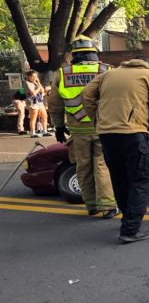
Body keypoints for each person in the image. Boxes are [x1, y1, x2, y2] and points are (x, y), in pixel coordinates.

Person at [81, 56, 149, 243]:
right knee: (142, 181)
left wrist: (98, 120)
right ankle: (130, 230)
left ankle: (128, 220)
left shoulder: (108, 75)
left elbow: (86, 95)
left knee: (120, 179)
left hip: (107, 135)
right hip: (134, 133)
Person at [49, 35, 118, 219]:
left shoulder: (62, 74)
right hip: (103, 126)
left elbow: (54, 104)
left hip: (78, 130)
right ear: (94, 53)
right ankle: (108, 206)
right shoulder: (107, 71)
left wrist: (58, 126)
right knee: (102, 164)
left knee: (83, 166)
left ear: (74, 55)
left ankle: (92, 205)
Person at [23, 70, 52, 138]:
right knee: (33, 118)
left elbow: (42, 91)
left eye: (36, 76)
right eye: (33, 76)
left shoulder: (36, 83)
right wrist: (38, 89)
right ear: (29, 77)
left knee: (45, 116)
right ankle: (33, 133)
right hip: (32, 102)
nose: (35, 78)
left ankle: (45, 131)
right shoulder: (27, 83)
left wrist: (38, 83)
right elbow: (33, 93)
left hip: (39, 101)